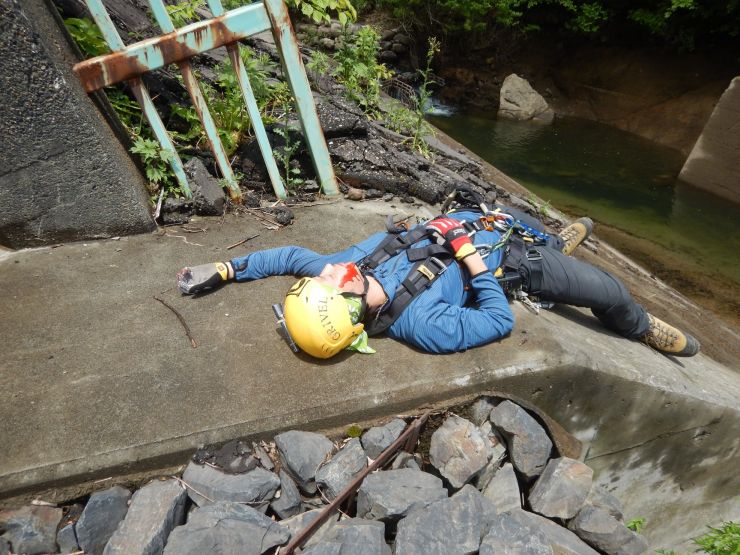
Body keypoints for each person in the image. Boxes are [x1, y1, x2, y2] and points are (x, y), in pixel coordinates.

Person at [176, 196, 699, 360]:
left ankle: (560, 238)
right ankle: (636, 325)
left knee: (525, 217)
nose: (330, 267)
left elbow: (291, 254)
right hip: (511, 261)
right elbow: (495, 320)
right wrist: (471, 258)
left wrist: (226, 268)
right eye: (331, 280)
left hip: (484, 222)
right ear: (351, 305)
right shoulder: (422, 325)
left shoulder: (350, 275)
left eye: (325, 274)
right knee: (609, 291)